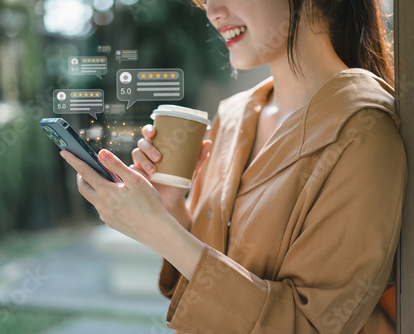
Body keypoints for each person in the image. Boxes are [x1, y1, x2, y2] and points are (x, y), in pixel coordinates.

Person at [60, 0, 407, 332]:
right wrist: (170, 208)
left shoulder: (364, 132)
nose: (212, 11)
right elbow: (204, 290)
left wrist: (158, 231)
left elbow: (311, 326)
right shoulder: (232, 116)